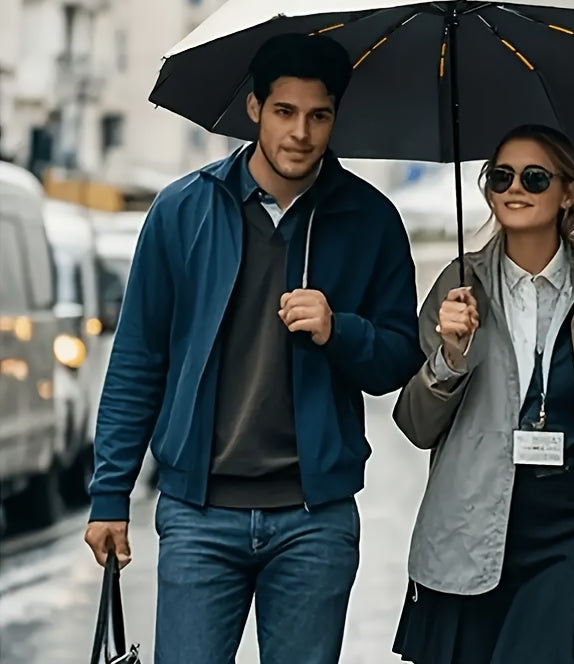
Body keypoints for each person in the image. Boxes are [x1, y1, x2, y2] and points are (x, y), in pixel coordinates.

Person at [84, 33, 424, 664]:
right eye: (285, 112)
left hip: (314, 519)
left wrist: (338, 329)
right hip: (197, 515)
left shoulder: (370, 219)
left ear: (334, 118)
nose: (301, 132)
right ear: (254, 109)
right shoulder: (183, 210)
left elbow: (399, 360)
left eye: (319, 115)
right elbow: (138, 360)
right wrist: (111, 496)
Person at [392, 124, 574, 664]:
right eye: (501, 176)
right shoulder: (457, 288)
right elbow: (416, 424)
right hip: (470, 528)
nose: (515, 188)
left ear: (569, 192)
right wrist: (450, 357)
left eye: (535, 177)